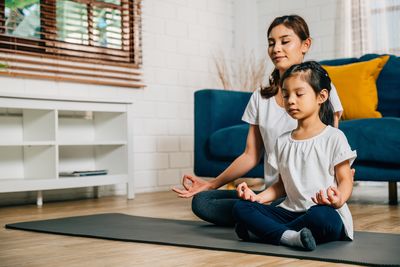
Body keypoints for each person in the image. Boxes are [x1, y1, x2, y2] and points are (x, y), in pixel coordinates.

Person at [172, 15, 345, 227]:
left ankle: (267, 221)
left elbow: (332, 147)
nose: (276, 48)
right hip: (273, 192)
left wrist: (337, 193)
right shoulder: (260, 97)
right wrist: (211, 185)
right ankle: (265, 219)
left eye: (285, 41)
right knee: (203, 202)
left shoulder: (322, 90)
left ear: (305, 44)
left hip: (310, 199)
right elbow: (250, 155)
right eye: (271, 43)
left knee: (301, 212)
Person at [233, 61, 356, 251]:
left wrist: (338, 199)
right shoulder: (282, 141)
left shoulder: (334, 137)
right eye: (286, 95)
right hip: (289, 212)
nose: (290, 100)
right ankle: (290, 236)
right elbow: (282, 186)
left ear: (321, 96)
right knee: (241, 208)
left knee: (321, 217)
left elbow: (345, 180)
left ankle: (266, 233)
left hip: (322, 212)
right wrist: (257, 198)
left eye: (299, 94)